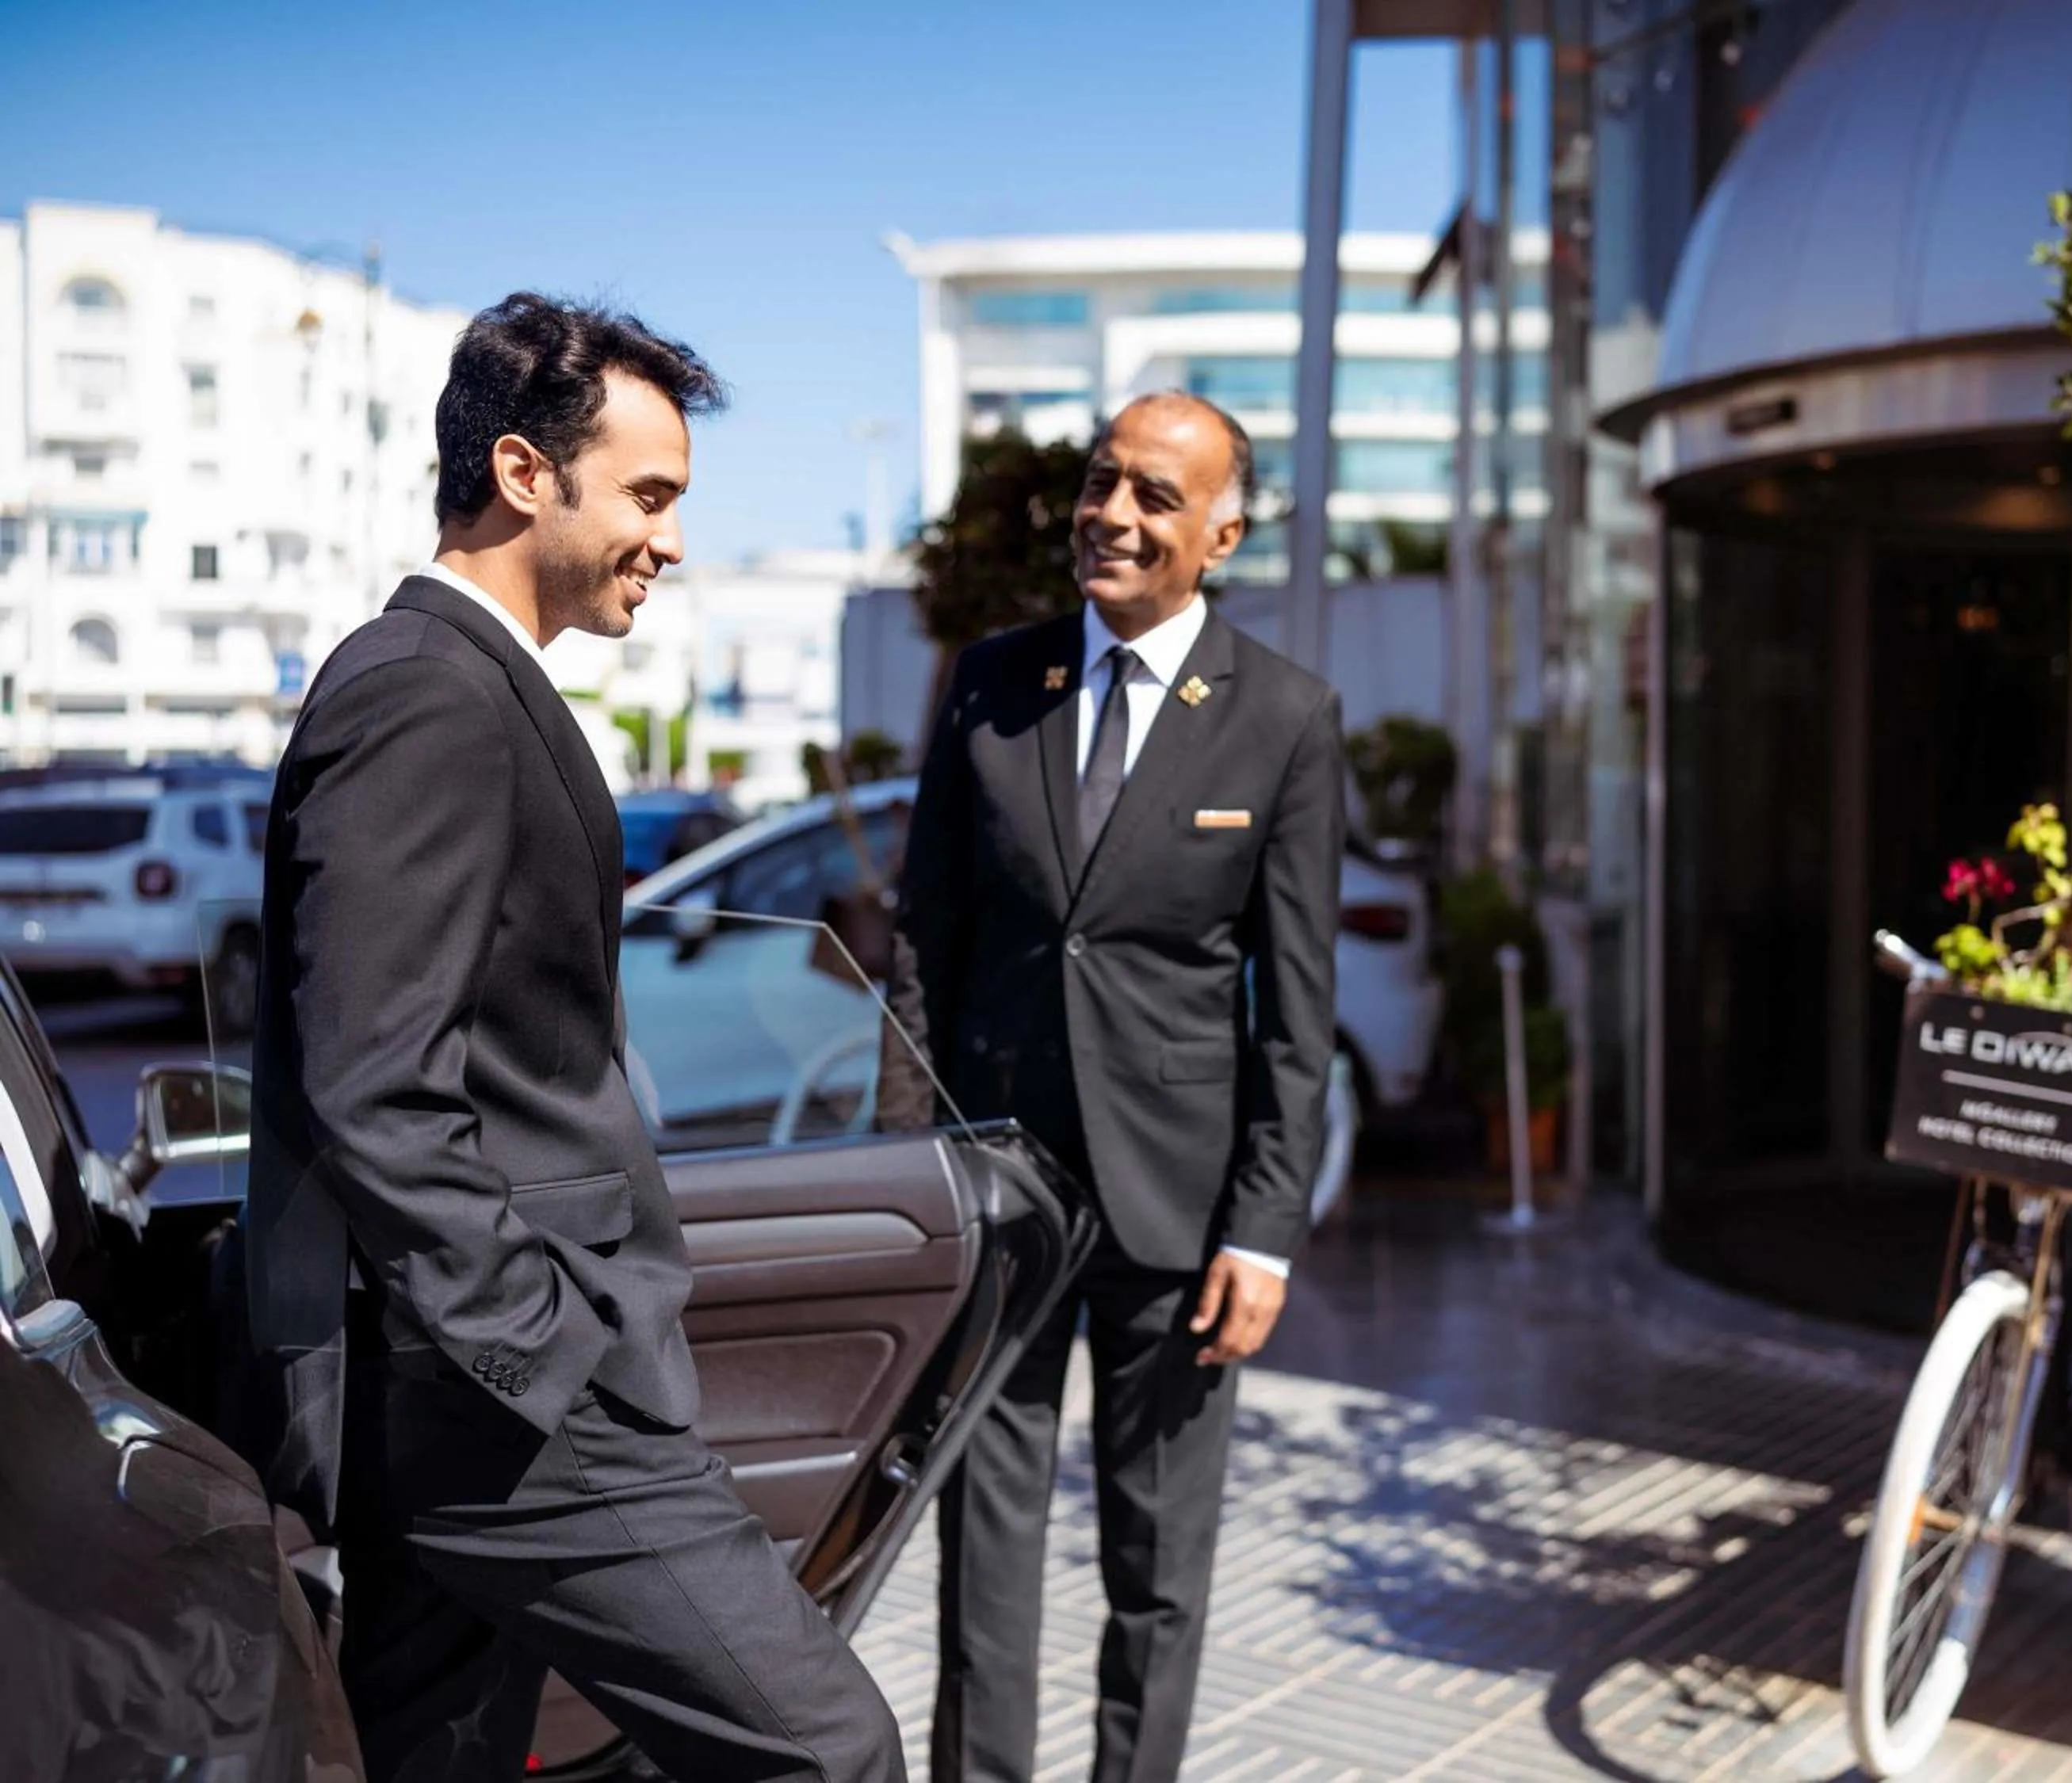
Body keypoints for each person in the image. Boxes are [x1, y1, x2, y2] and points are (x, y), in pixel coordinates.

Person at [241, 292, 904, 1783]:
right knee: (830, 1746)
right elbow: (375, 1080)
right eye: (650, 496)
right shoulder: (427, 691)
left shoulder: (463, 682)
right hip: (500, 1404)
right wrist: (538, 1351)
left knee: (436, 1759)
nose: (670, 540)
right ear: (527, 472)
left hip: (463, 1384)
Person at [891, 391, 1344, 1781]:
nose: (1116, 517)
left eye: (1156, 496)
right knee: (985, 1550)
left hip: (1182, 1214)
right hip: (1002, 1194)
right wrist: (915, 1180)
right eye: (1103, 484)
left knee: (1160, 1563)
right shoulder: (989, 681)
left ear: (1221, 530)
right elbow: (924, 947)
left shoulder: (1285, 719)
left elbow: (1297, 1010)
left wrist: (1263, 1228)